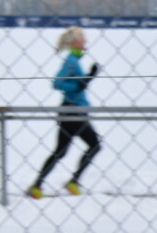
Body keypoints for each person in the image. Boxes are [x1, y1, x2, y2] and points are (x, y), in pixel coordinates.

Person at [27, 26, 102, 198]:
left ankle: (38, 185)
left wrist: (87, 78)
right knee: (94, 145)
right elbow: (57, 83)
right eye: (83, 38)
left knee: (61, 151)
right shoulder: (71, 61)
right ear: (75, 41)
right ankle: (72, 182)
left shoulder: (75, 60)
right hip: (72, 113)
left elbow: (77, 83)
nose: (86, 41)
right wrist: (80, 84)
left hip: (73, 111)